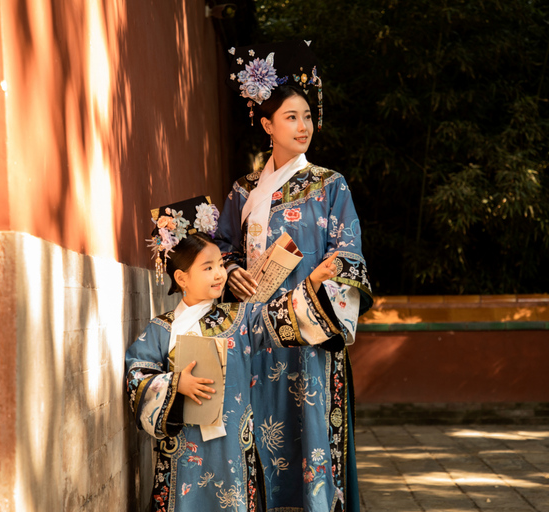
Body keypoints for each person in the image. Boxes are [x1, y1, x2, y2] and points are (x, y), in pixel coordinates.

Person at [217, 42, 373, 511]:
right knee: (253, 439)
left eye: (307, 116)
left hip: (307, 337)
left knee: (309, 438)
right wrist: (231, 273)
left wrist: (329, 273)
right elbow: (222, 249)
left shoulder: (331, 185)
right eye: (291, 117)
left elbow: (350, 256)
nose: (303, 126)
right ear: (267, 125)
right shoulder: (243, 191)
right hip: (251, 337)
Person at [125, 196, 345, 512]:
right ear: (182, 278)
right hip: (183, 454)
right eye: (208, 267)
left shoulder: (240, 319)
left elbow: (278, 316)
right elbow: (137, 372)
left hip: (232, 451)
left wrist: (311, 282)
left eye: (219, 265)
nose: (219, 274)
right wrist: (175, 385)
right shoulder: (161, 329)